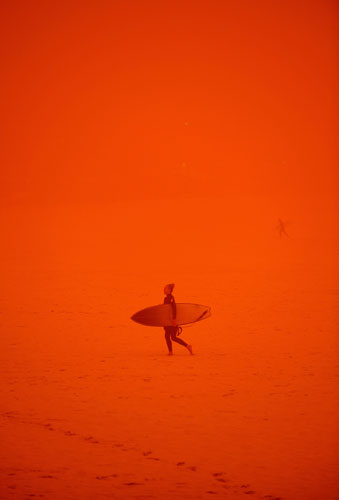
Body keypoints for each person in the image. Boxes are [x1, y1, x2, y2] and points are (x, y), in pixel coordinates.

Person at [163, 284, 193, 355]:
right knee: (167, 336)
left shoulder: (171, 298)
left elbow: (174, 308)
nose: (164, 289)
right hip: (168, 321)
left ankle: (187, 346)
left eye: (165, 288)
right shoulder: (166, 298)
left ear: (170, 290)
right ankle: (170, 352)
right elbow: (165, 310)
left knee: (173, 337)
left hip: (172, 320)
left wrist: (174, 319)